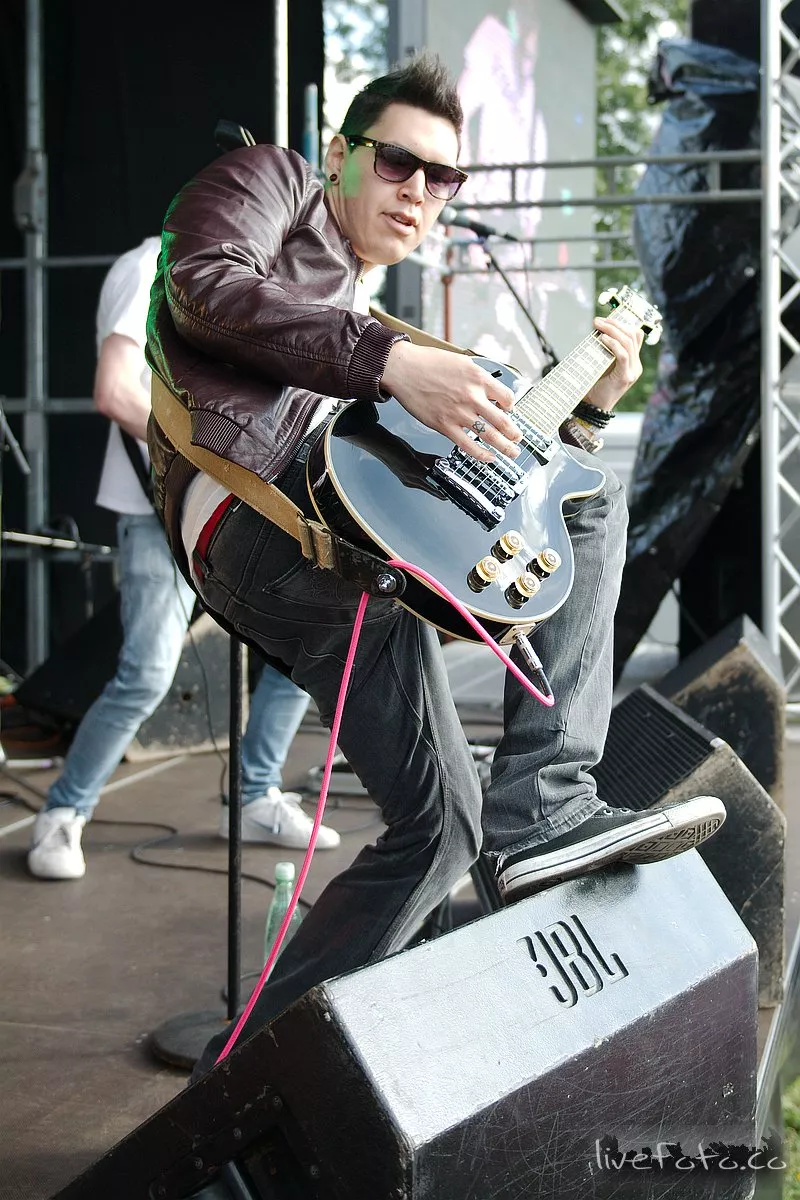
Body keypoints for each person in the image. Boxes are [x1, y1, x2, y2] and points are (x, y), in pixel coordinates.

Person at [145, 54, 725, 1071]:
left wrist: (586, 412)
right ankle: (545, 804)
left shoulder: (369, 311)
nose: (419, 190)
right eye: (397, 162)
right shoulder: (272, 178)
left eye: (442, 178)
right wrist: (390, 362)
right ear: (340, 154)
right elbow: (203, 289)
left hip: (356, 545)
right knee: (593, 502)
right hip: (263, 515)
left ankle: (250, 1083)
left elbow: (505, 483)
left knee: (442, 828)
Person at [27, 238, 339, 881]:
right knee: (146, 675)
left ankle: (256, 797)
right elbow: (115, 390)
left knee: (301, 651)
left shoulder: (263, 274)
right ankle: (63, 810)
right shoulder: (149, 265)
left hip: (245, 504)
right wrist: (215, 451)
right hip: (163, 507)